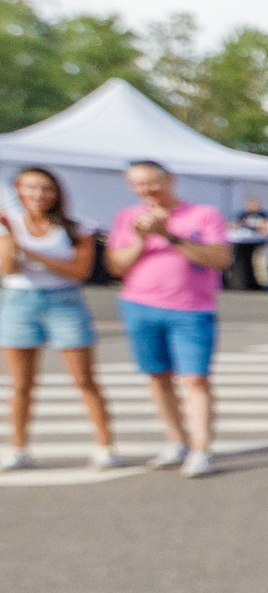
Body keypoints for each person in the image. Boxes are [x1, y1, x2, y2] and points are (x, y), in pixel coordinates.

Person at [105, 159, 230, 477]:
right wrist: (142, 239)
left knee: (195, 378)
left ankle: (201, 448)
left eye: (153, 182)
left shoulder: (203, 215)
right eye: (138, 184)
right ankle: (176, 440)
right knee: (158, 376)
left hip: (191, 308)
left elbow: (220, 259)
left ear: (170, 180)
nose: (147, 190)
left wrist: (169, 235)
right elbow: (117, 266)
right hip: (140, 305)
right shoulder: (128, 218)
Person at [2, 166, 116, 470]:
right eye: (30, 188)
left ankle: (105, 444)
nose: (38, 195)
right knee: (22, 384)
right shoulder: (9, 225)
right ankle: (19, 448)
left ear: (56, 193)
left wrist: (33, 254)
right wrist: (12, 239)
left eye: (45, 188)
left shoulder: (77, 228)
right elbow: (8, 269)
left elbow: (79, 272)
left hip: (65, 301)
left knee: (84, 379)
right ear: (19, 191)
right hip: (19, 301)